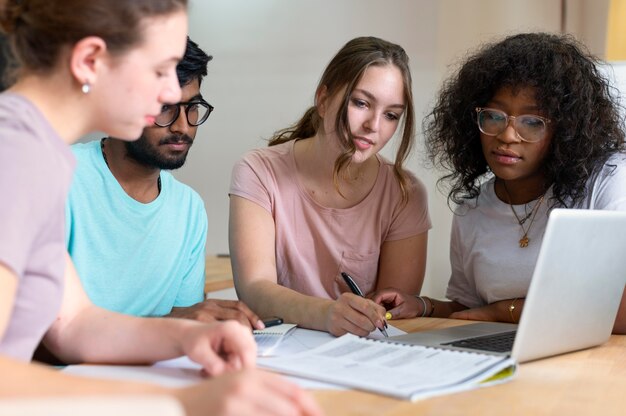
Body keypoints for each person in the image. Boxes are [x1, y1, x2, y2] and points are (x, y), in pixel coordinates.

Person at [0, 1, 321, 415]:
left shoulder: (40, 153)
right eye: (160, 69)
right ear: (90, 60)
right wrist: (181, 401)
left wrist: (185, 338)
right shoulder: (14, 154)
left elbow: (75, 323)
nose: (173, 93)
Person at [372, 32, 626, 335]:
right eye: (494, 116)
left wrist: (506, 311)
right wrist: (423, 305)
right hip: (505, 357)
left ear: (567, 130)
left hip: (594, 363)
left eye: (532, 122)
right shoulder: (473, 210)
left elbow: (619, 313)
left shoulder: (608, 180)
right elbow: (470, 311)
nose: (506, 136)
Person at [229, 36, 431, 337]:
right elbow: (255, 290)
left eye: (391, 115)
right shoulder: (259, 171)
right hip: (280, 356)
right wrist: (326, 314)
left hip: (360, 359)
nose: (374, 125)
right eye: (361, 103)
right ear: (323, 100)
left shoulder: (406, 193)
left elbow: (393, 314)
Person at [66, 37, 262, 330]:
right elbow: (26, 337)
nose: (183, 126)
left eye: (192, 107)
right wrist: (171, 323)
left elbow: (183, 328)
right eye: (164, 107)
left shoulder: (189, 209)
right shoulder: (61, 176)